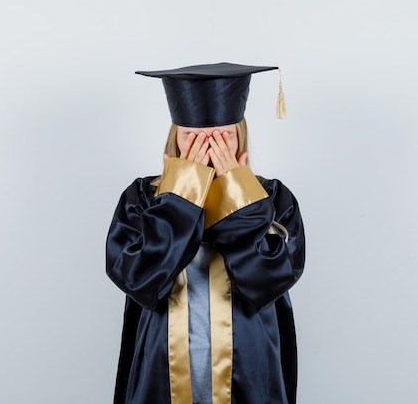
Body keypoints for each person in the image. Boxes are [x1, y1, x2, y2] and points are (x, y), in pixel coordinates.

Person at [106, 63, 305, 404]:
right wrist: (180, 197)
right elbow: (139, 279)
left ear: (240, 136)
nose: (210, 148)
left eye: (222, 135)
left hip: (250, 371)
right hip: (161, 371)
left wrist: (238, 195)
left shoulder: (273, 198)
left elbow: (268, 281)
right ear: (174, 139)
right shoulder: (141, 199)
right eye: (194, 137)